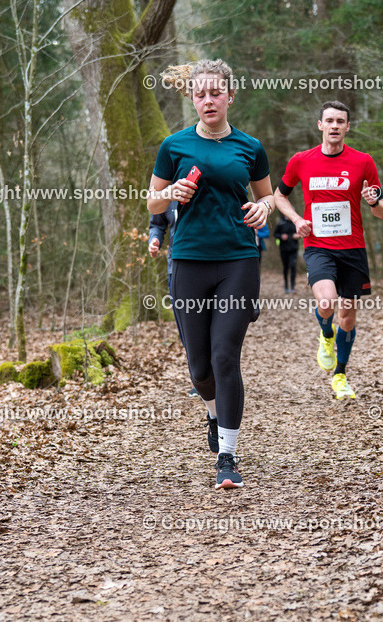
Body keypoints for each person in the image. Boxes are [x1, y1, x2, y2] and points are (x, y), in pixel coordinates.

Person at [148, 59, 273, 490]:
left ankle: (228, 457)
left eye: (216, 93)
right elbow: (152, 203)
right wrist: (170, 191)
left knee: (224, 357)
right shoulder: (174, 146)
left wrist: (263, 209)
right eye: (200, 94)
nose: (208, 100)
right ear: (192, 99)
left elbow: (267, 196)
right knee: (200, 367)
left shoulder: (250, 147)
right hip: (188, 260)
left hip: (238, 259)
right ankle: (214, 413)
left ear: (230, 96)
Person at [272, 101, 383, 400]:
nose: (335, 125)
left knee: (347, 316)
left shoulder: (363, 162)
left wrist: (373, 201)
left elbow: (382, 211)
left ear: (348, 127)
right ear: (320, 125)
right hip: (318, 246)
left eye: (340, 121)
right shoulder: (301, 160)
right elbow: (278, 195)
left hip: (353, 247)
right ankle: (326, 334)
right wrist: (297, 220)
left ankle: (340, 375)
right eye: (330, 120)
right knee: (327, 302)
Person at [148, 203, 198, 399]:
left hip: (212, 264)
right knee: (188, 330)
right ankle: (200, 379)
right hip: (176, 269)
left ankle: (216, 377)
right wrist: (154, 240)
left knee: (213, 326)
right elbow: (157, 223)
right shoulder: (165, 193)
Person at [274, 214, 300, 293]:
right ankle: (286, 286)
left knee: (293, 266)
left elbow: (301, 233)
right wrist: (281, 236)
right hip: (284, 249)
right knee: (285, 267)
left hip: (293, 248)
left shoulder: (296, 222)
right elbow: (275, 234)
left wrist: (298, 235)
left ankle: (292, 286)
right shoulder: (281, 223)